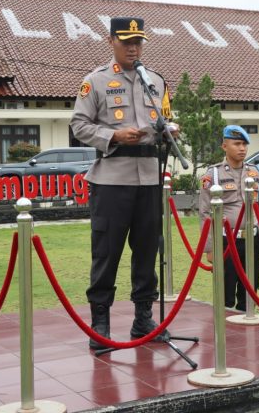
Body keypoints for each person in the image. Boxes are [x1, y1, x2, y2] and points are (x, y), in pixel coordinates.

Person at [70, 17, 175, 350]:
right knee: (107, 252)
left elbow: (165, 119)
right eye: (127, 41)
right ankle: (100, 322)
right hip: (112, 180)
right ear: (111, 41)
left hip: (149, 178)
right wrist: (112, 135)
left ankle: (143, 318)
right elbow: (78, 125)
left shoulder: (155, 81)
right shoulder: (95, 81)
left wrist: (169, 130)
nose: (134, 48)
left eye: (138, 42)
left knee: (146, 250)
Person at [199, 125, 259, 311]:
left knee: (250, 290)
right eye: (237, 143)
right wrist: (210, 247)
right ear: (224, 146)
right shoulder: (212, 174)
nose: (242, 148)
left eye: (245, 144)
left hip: (251, 238)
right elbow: (205, 213)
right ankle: (227, 335)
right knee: (225, 293)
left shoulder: (255, 172)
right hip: (226, 241)